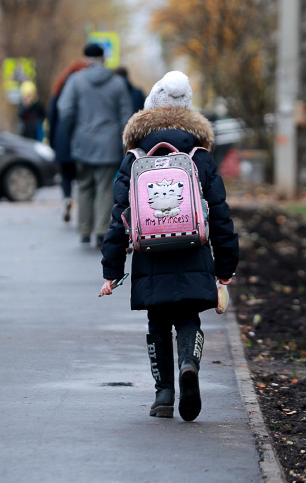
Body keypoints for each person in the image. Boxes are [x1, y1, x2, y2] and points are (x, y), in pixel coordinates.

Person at [98, 71, 240, 422]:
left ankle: (163, 396)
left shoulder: (134, 156)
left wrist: (112, 270)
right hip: (193, 249)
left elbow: (120, 218)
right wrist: (226, 268)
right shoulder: (200, 155)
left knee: (157, 321)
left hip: (150, 254)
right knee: (187, 316)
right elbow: (220, 214)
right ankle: (189, 364)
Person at [58, 43, 133, 245]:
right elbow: (126, 114)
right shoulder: (117, 83)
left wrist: (73, 132)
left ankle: (84, 229)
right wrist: (121, 139)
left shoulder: (75, 81)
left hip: (82, 141)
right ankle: (101, 230)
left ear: (86, 59)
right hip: (108, 142)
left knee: (83, 185)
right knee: (105, 187)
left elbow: (65, 110)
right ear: (103, 58)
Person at [47, 58, 88, 223]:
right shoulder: (84, 88)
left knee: (65, 175)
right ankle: (82, 208)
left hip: (61, 138)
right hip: (81, 139)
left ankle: (66, 199)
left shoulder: (59, 89)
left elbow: (51, 117)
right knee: (82, 177)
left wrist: (52, 141)